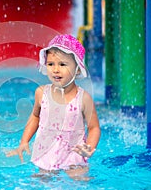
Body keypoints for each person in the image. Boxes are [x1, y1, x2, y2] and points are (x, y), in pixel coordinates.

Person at [6, 34, 101, 180]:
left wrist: (89, 147)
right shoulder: (41, 93)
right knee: (41, 180)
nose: (56, 70)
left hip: (74, 154)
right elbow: (35, 117)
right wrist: (24, 141)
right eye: (51, 64)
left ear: (77, 69)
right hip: (46, 151)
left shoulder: (83, 98)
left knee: (80, 181)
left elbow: (94, 127)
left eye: (62, 64)